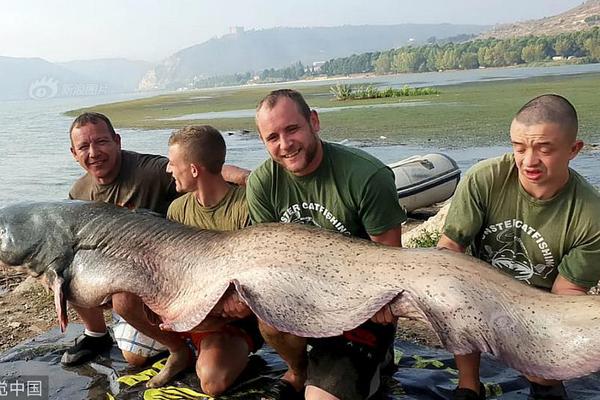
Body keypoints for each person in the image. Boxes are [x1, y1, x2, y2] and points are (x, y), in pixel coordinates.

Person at [64, 112, 247, 386]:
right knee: (64, 269)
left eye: (101, 142)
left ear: (117, 141)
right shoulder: (77, 195)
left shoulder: (151, 171)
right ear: (73, 153)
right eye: (83, 147)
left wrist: (249, 179)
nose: (94, 152)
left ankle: (202, 338)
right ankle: (96, 334)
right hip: (122, 278)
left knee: (133, 334)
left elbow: (197, 165)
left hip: (171, 276)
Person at [246, 89, 407, 400]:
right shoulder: (261, 184)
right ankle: (298, 370)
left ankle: (376, 359)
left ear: (314, 122)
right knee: (268, 317)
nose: (285, 144)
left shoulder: (367, 176)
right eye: (272, 137)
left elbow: (391, 266)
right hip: (304, 294)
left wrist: (380, 304)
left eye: (292, 129)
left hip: (360, 305)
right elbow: (270, 261)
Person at [437, 94, 600, 400]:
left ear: (574, 149)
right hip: (479, 293)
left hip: (540, 305)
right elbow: (449, 249)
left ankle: (545, 384)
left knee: (542, 373)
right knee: (452, 292)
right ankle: (469, 385)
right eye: (519, 147)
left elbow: (568, 293)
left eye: (544, 149)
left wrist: (534, 335)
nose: (529, 161)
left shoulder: (592, 215)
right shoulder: (483, 179)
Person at [165, 125, 262, 396]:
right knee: (133, 354)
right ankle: (181, 348)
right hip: (191, 305)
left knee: (212, 382)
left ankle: (212, 345)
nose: (168, 170)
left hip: (236, 315)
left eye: (173, 164)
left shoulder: (246, 207)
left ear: (194, 170)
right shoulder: (177, 210)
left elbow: (256, 274)